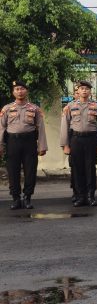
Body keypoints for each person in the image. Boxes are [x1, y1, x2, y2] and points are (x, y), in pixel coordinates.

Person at [1, 81, 47, 210]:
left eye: (22, 89)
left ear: (26, 91)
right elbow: (1, 128)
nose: (19, 91)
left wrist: (42, 145)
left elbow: (41, 127)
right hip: (12, 142)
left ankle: (27, 198)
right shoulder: (7, 109)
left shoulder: (34, 108)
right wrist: (0, 146)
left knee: (30, 171)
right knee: (13, 171)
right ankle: (16, 198)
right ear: (13, 92)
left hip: (29, 142)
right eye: (17, 89)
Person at [60, 81, 97, 207]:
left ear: (90, 91)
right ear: (77, 91)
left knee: (90, 168)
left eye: (87, 89)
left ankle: (90, 196)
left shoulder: (96, 106)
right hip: (76, 139)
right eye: (82, 88)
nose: (84, 91)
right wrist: (66, 145)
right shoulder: (70, 106)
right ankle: (80, 196)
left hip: (91, 140)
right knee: (77, 168)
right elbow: (65, 126)